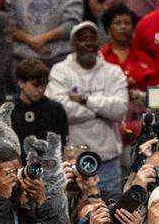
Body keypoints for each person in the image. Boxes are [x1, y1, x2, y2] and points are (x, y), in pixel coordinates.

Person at [46, 21, 128, 199]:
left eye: (93, 39)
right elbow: (58, 111)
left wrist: (85, 100)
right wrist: (100, 110)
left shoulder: (113, 72)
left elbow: (120, 110)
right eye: (83, 39)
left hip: (108, 161)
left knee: (111, 217)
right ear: (73, 44)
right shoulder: (60, 71)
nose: (89, 43)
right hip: (73, 164)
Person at [6, 0, 83, 66]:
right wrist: (31, 41)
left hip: (59, 56)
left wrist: (41, 39)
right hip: (23, 57)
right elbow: (9, 27)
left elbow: (72, 25)